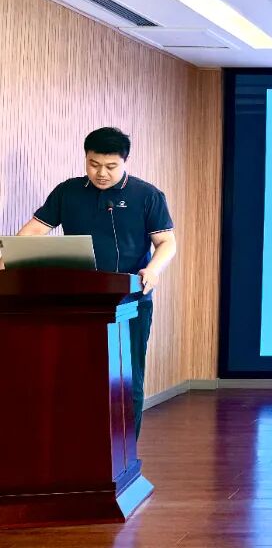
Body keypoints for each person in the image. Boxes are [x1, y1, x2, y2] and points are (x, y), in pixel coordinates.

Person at [13, 127, 176, 440]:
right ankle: (79, 447)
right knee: (76, 377)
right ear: (86, 158)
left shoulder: (147, 195)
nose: (101, 173)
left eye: (110, 166)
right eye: (93, 164)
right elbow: (32, 232)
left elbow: (166, 242)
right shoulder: (68, 192)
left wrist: (153, 269)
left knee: (128, 379)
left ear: (125, 161)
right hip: (78, 302)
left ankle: (125, 451)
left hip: (131, 302)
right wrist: (8, 257)